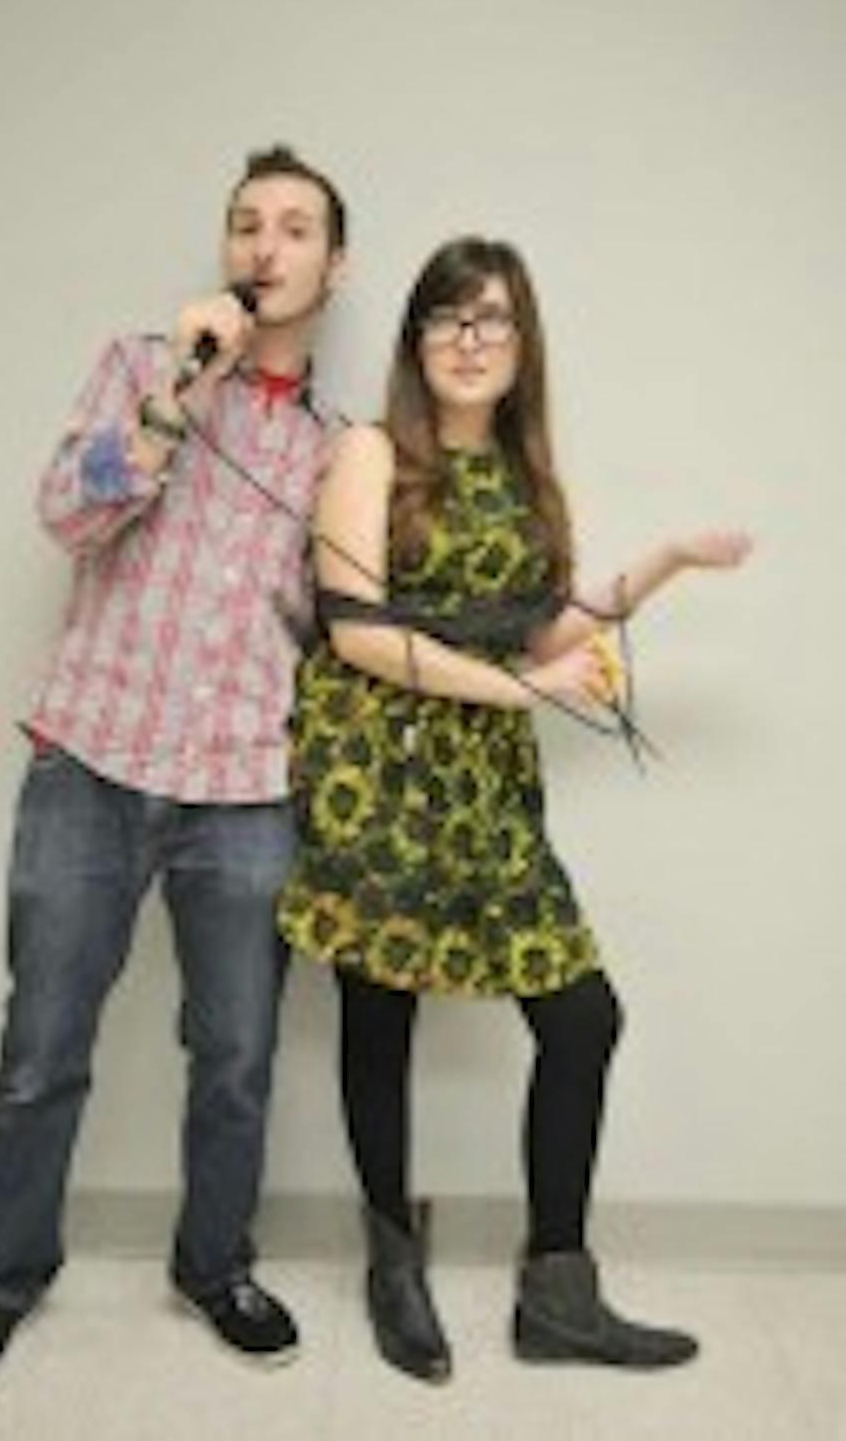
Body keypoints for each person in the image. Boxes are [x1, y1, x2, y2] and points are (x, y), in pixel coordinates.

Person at [278, 235, 751, 1383]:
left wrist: (666, 562)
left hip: (485, 779)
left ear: (523, 341)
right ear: (415, 340)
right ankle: (393, 1263)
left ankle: (558, 1295)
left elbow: (543, 633)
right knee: (380, 1014)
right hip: (376, 765)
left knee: (581, 1017)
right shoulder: (368, 452)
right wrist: (522, 692)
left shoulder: (530, 478)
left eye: (491, 318)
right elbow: (356, 629)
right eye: (446, 317)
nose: (468, 339)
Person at [0, 145, 348, 1398]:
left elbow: (337, 619)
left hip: (245, 784)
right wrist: (177, 391)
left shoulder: (336, 445)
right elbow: (68, 513)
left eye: (296, 228)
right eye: (247, 223)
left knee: (237, 1054)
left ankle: (216, 1268)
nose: (265, 245)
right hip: (92, 759)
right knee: (41, 1046)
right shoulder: (140, 366)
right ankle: (3, 1278)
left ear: (334, 266)